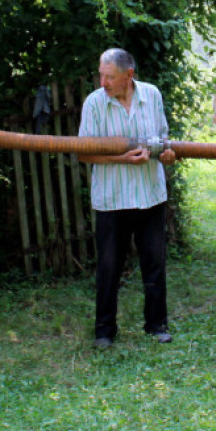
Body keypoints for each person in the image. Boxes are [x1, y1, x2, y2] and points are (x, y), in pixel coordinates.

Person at [78, 48, 177, 349]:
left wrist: (168, 155)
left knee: (155, 264)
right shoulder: (95, 103)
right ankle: (104, 331)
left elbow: (163, 140)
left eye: (109, 76)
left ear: (129, 76)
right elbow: (83, 152)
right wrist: (122, 159)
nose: (103, 81)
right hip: (112, 198)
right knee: (108, 267)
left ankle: (156, 325)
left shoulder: (152, 95)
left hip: (150, 196)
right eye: (101, 74)